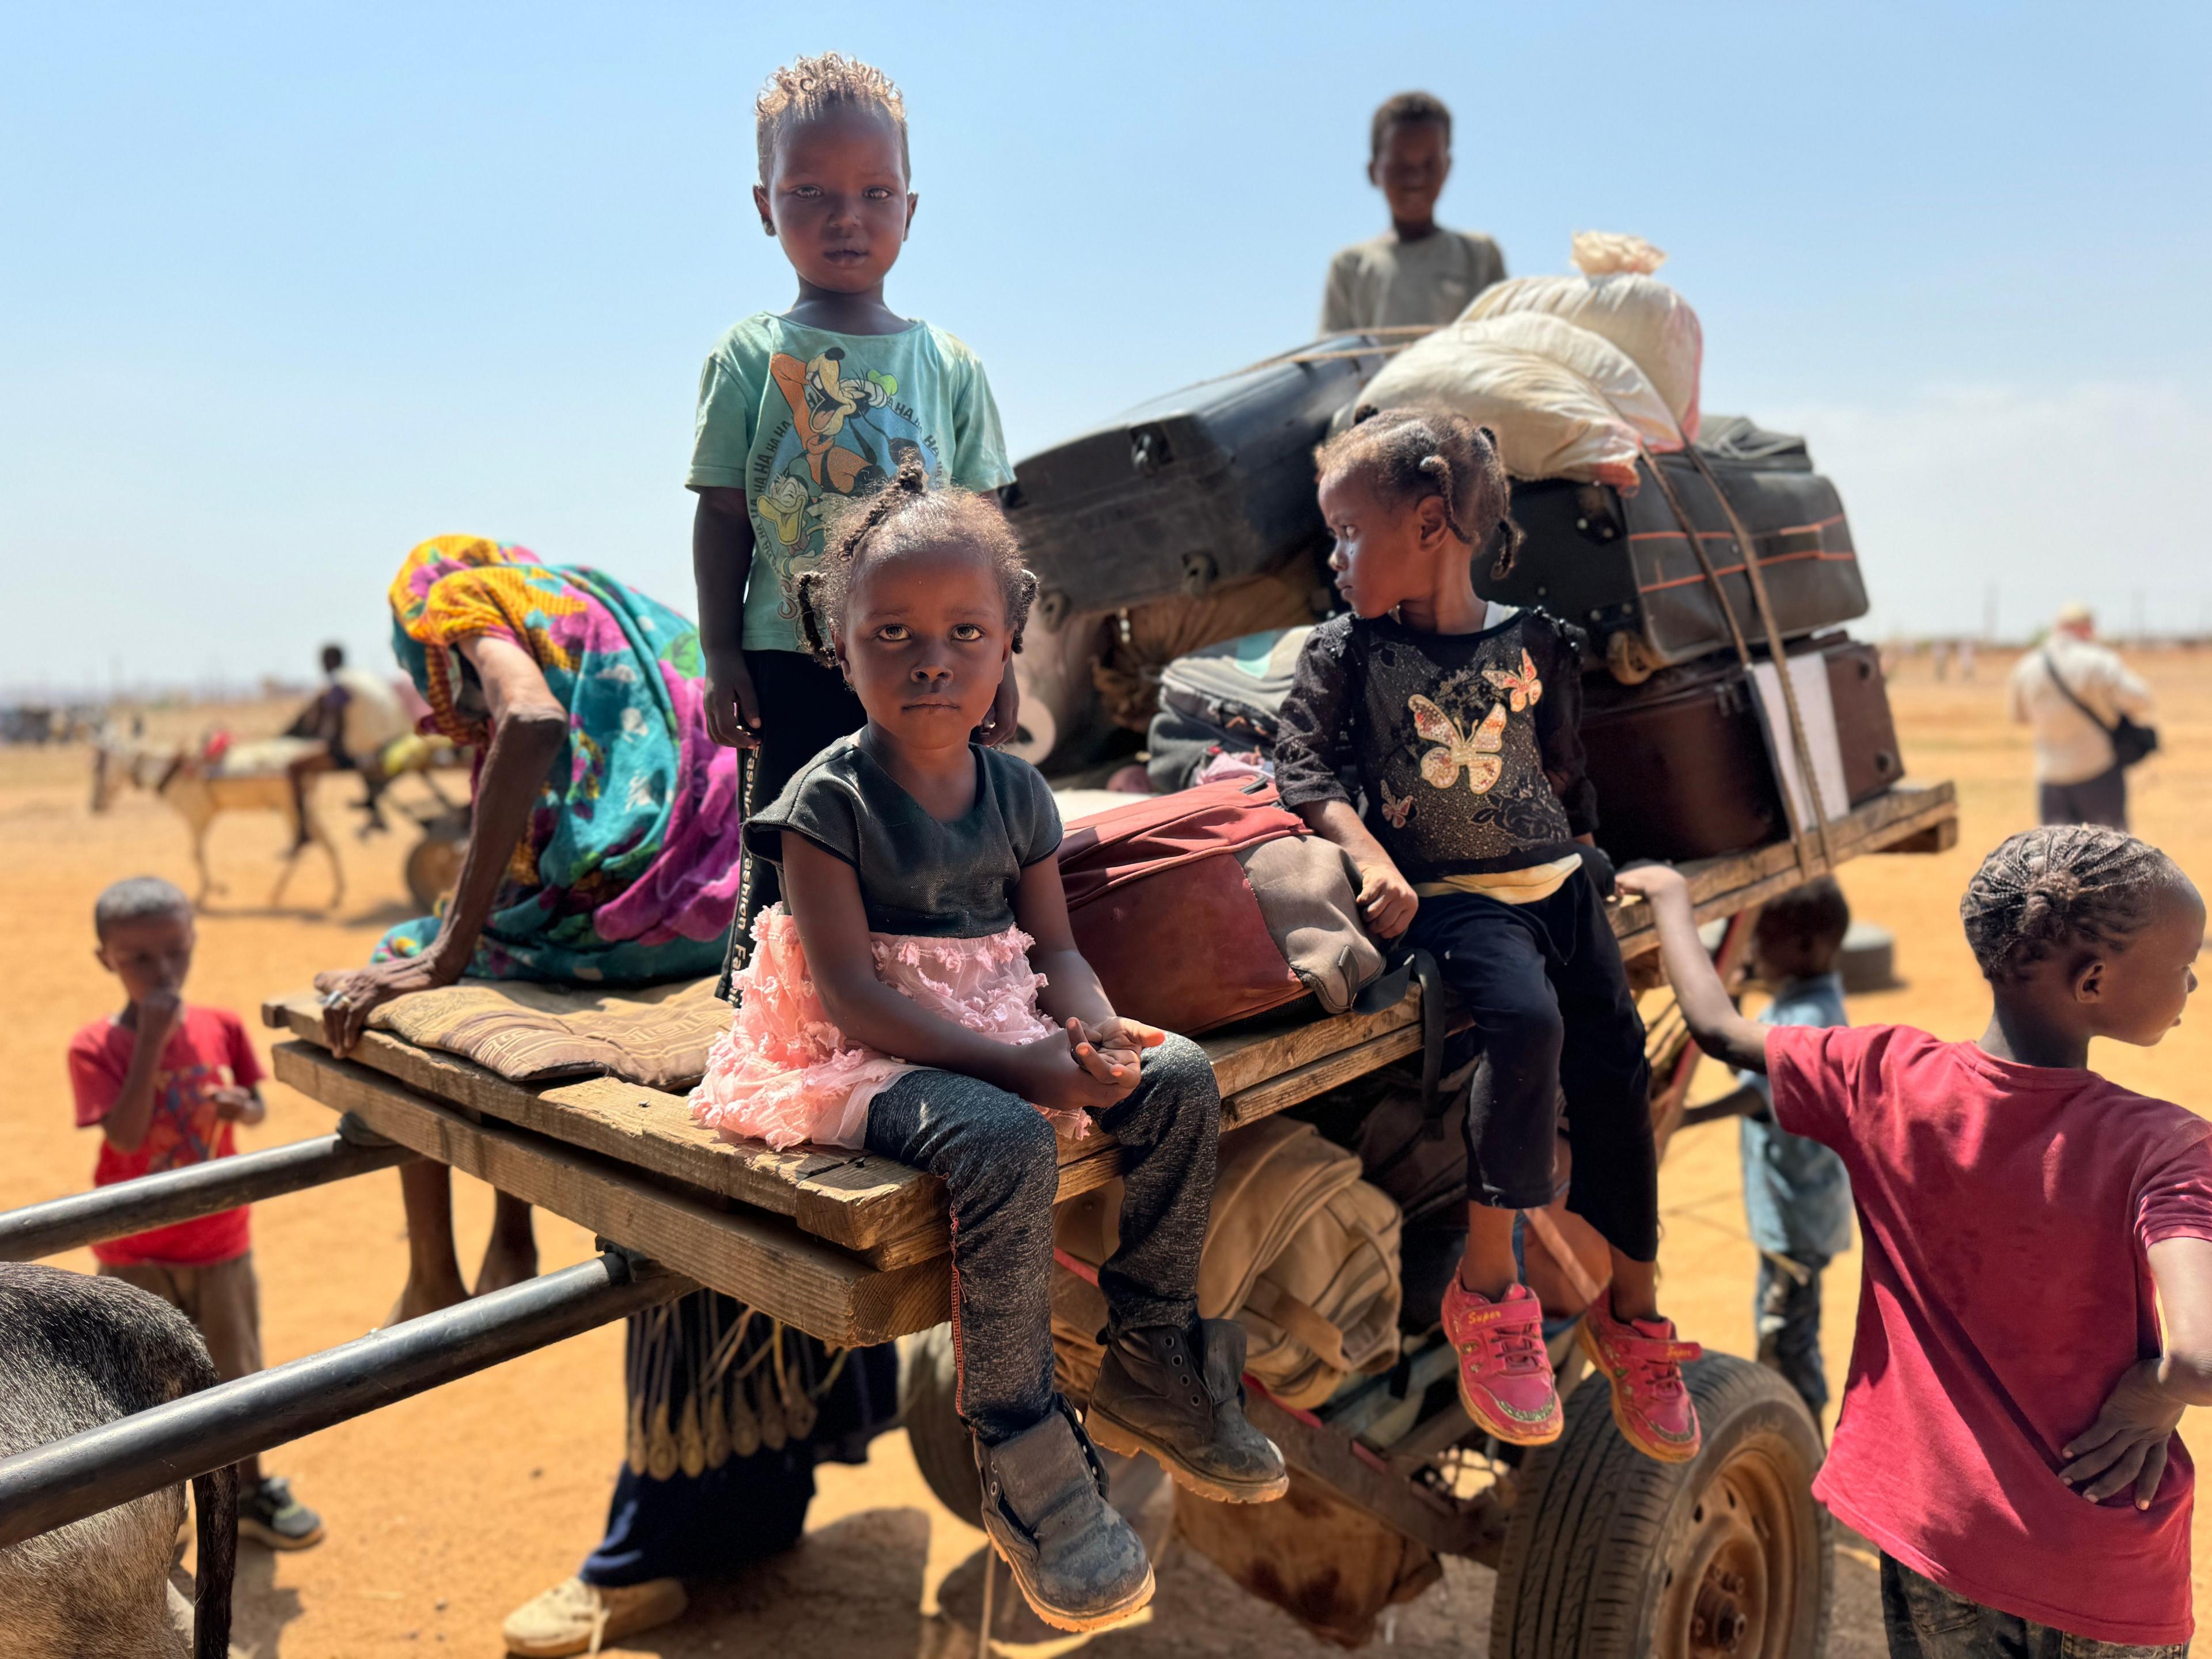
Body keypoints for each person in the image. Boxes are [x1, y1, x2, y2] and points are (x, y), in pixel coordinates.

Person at [690, 461, 1287, 1634]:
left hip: (1000, 1018)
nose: (931, 659)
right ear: (839, 648)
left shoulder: (1017, 795)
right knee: (1008, 1143)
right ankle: (1019, 1448)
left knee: (1176, 1081)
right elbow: (856, 1002)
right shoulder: (827, 807)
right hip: (866, 1054)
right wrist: (1033, 1070)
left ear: (1010, 643)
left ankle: (1156, 1358)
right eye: (893, 633)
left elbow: (1054, 949)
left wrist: (1095, 1027)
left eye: (966, 632)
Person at [313, 539, 892, 1658]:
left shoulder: (446, 596)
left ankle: (446, 1267)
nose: (448, 719)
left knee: (399, 963)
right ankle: (514, 1249)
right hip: (740, 885)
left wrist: (444, 949)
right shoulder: (580, 599)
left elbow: (524, 726)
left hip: (637, 906)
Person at [1620, 829, 2212, 1653]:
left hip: (1938, 1535)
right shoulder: (2163, 1144)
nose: (2191, 981)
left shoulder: (1886, 1075)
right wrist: (2153, 1395)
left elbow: (1719, 1030)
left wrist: (1672, 899)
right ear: (2094, 981)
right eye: (2187, 960)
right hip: (2097, 1567)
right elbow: (2200, 1361)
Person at [1272, 406, 1701, 1463]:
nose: (1333, 559)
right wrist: (1371, 860)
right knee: (1523, 1026)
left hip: (1559, 888)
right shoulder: (1349, 653)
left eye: (1347, 534)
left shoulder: (1538, 641)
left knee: (1615, 1074)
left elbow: (1563, 774)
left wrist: (1594, 855)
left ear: (1431, 524)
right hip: (1453, 898)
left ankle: (1633, 1317)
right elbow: (1304, 774)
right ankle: (1489, 1291)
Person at [688, 51, 1015, 974]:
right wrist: (720, 652)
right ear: (764, 207)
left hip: (928, 654)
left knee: (921, 834)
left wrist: (1005, 653)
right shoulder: (753, 355)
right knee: (796, 842)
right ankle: (770, 1023)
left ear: (911, 208)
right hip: (788, 658)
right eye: (810, 191)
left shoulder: (949, 364)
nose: (846, 217)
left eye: (876, 192)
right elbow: (723, 515)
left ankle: (920, 1003)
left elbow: (984, 529)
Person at [69, 876, 325, 1550]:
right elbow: (123, 1137)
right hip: (134, 1251)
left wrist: (246, 1107)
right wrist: (151, 1038)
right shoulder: (96, 1046)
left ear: (192, 941)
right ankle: (159, 1520)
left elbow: (257, 1104)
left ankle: (244, 1491)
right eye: (139, 959)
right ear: (106, 960)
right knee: (142, 1385)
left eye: (175, 951)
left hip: (219, 1241)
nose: (163, 971)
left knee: (237, 1371)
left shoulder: (222, 1024)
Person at [1703, 878, 1855, 1426]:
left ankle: (1807, 1452)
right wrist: (1736, 999)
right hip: (1793, 1213)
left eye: (1762, 940)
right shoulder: (1795, 1005)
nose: (1751, 952)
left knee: (1787, 1339)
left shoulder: (1810, 1020)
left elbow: (1759, 1093)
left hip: (1799, 1218)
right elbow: (1750, 1062)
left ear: (1805, 949)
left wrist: (1685, 1118)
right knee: (1784, 1331)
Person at [1319, 92, 1506, 335]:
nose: (1416, 178)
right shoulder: (1349, 268)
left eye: (1429, 164)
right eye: (1401, 166)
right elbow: (1333, 361)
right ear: (1374, 171)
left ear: (1447, 167)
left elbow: (1503, 345)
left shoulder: (1480, 256)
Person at [2009, 602, 2154, 831]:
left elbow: (2019, 716)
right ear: (2086, 629)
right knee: (2112, 857)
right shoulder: (2098, 662)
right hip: (2098, 771)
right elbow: (2142, 699)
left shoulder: (2027, 667)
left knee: (2056, 860)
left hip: (2050, 777)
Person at [283, 642, 414, 845]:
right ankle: (374, 811)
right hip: (390, 741)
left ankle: (303, 831)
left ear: (329, 662)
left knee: (295, 768)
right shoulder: (362, 676)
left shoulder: (338, 684)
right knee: (358, 747)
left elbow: (336, 730)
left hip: (368, 749)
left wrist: (323, 748)